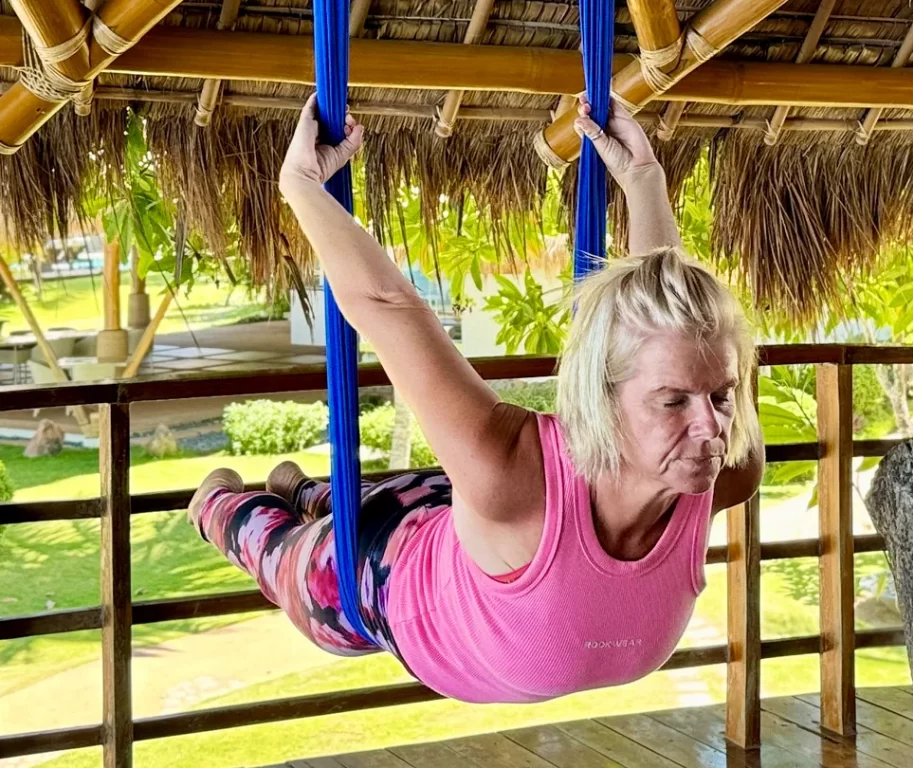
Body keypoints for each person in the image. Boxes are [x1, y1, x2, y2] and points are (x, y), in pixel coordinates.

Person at [188, 95, 765, 704]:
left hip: (452, 515)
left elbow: (660, 310)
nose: (710, 427)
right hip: (376, 576)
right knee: (274, 543)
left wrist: (645, 181)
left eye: (723, 395)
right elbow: (390, 311)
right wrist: (301, 185)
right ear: (601, 394)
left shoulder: (728, 471)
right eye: (672, 402)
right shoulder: (509, 469)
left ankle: (305, 488)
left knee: (412, 498)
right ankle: (223, 500)